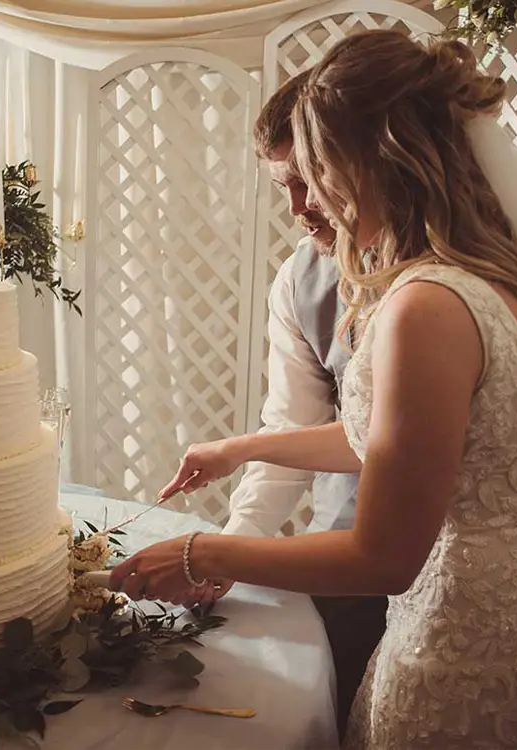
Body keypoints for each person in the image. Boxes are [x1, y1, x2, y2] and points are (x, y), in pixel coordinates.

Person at [111, 29, 517, 748]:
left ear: (378, 158)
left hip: (463, 631)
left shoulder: (423, 306)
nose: (306, 199)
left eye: (317, 167)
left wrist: (200, 551)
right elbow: (402, 443)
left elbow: (384, 558)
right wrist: (241, 448)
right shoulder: (495, 276)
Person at [181, 71, 388, 738]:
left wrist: (218, 552)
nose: (299, 208)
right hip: (342, 553)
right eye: (283, 188)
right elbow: (292, 428)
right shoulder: (300, 281)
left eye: (310, 180)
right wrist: (235, 543)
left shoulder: (442, 285)